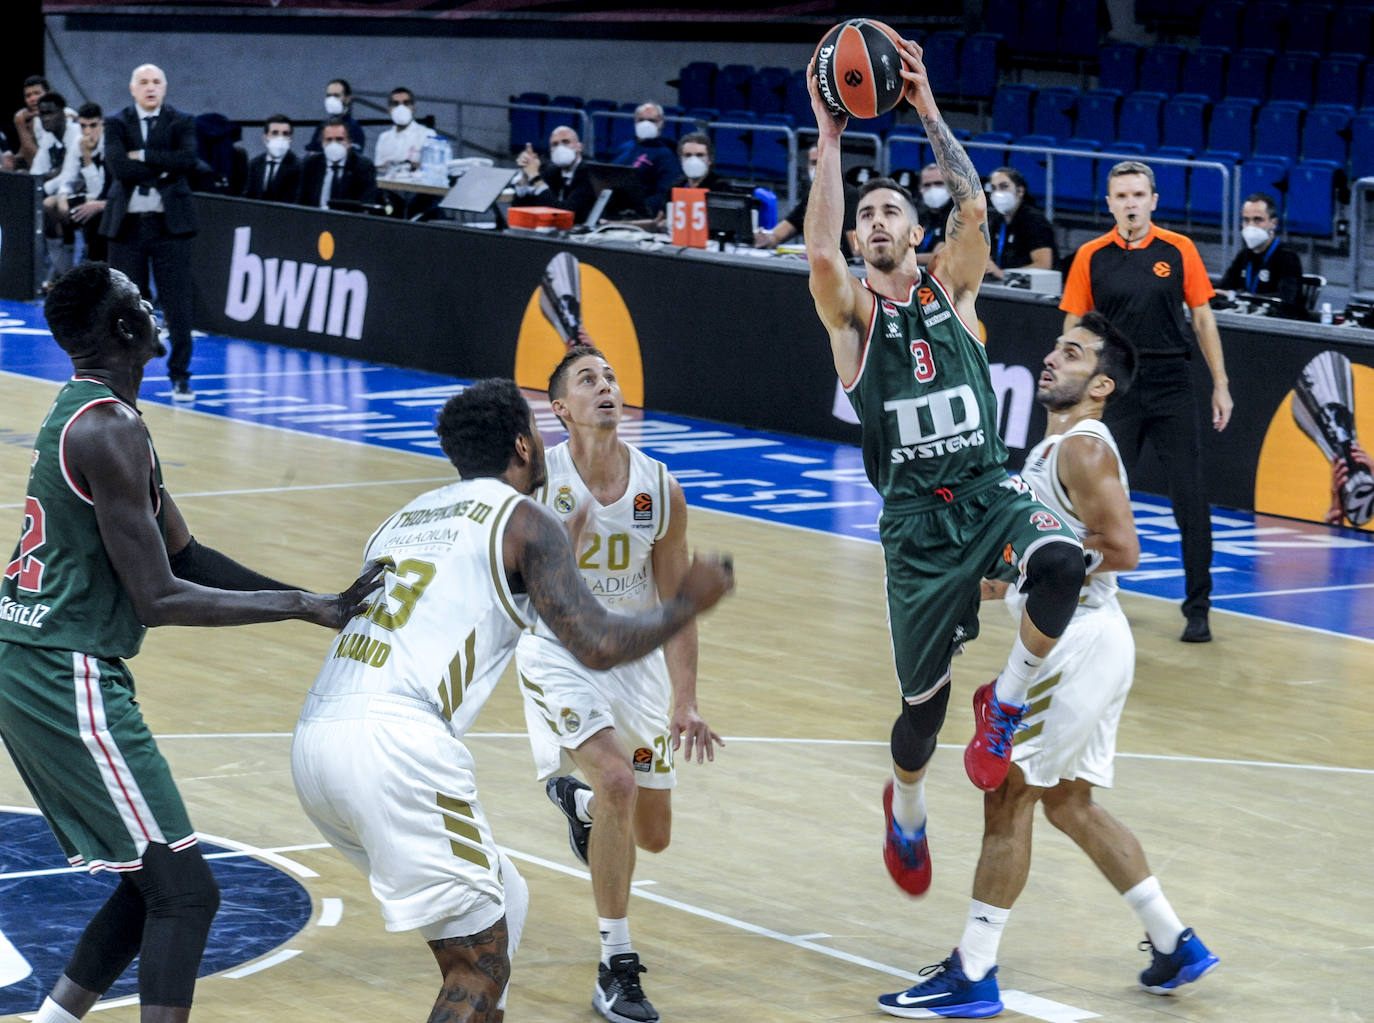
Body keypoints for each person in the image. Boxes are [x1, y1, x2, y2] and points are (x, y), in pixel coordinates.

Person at [0, 261, 383, 1023]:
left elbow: (183, 553)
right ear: (124, 331)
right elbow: (160, 596)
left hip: (41, 659)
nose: (152, 305)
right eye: (139, 300)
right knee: (186, 892)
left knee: (154, 881)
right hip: (59, 670)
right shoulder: (110, 428)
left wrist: (319, 604)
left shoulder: (99, 413)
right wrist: (303, 603)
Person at [291, 377, 733, 1023]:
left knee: (506, 901)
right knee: (479, 964)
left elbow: (468, 606)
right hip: (396, 744)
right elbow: (599, 642)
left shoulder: (403, 518)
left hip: (315, 743)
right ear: (525, 444)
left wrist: (558, 566)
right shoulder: (525, 519)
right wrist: (687, 601)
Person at [804, 37, 1086, 917]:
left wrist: (924, 106)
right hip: (916, 531)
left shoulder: (953, 290)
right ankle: (910, 804)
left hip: (988, 493)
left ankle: (1001, 702)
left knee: (1065, 564)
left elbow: (974, 206)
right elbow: (816, 254)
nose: (880, 221)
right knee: (918, 719)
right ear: (858, 238)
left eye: (893, 210)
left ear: (914, 232)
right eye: (868, 216)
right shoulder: (851, 317)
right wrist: (827, 136)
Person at [877, 312, 1219, 1017]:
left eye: (1070, 353)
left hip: (1081, 642)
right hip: (1093, 641)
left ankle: (974, 969)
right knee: (1068, 801)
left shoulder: (1083, 449)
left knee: (1006, 794)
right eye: (1055, 347)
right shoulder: (1048, 449)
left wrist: (1039, 572)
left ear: (1099, 384)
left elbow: (1123, 550)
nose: (1049, 357)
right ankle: (1173, 939)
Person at [513, 346, 722, 1023]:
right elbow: (506, 592)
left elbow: (677, 603)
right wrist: (553, 562)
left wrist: (685, 699)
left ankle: (581, 806)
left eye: (609, 377)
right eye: (586, 379)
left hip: (635, 661)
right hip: (559, 651)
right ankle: (615, 963)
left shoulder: (659, 487)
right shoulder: (535, 483)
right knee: (619, 784)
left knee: (652, 833)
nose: (604, 386)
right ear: (561, 408)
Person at [1060, 160, 1232, 643]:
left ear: (1153, 200)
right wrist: (1075, 387)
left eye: (1138, 195)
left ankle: (1198, 607)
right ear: (1109, 202)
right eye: (1121, 196)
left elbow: (1203, 320)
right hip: (1117, 387)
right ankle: (1086, 590)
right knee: (1096, 496)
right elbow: (1072, 328)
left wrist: (1220, 383)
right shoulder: (1091, 255)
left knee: (1190, 499)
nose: (1130, 203)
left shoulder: (1179, 250)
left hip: (1172, 382)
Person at [99, 64, 200, 403]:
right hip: (128, 226)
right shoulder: (116, 122)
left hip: (170, 227)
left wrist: (141, 156)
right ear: (132, 88)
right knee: (125, 304)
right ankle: (124, 375)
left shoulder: (181, 120)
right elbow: (117, 166)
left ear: (165, 87)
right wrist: (163, 168)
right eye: (143, 82)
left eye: (156, 81)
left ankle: (181, 376)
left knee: (178, 304)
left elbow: (188, 160)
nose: (150, 87)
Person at [752, 144, 858, 257]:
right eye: (813, 163)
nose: (818, 167)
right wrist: (766, 238)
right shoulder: (811, 198)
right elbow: (779, 234)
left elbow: (857, 249)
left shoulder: (851, 196)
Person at [1218, 192, 1304, 318]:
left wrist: (1236, 297)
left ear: (1273, 223)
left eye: (1258, 220)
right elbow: (1223, 288)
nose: (1250, 226)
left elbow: (1285, 301)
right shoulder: (1244, 255)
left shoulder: (1287, 257)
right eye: (1246, 220)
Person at [31, 92, 82, 282]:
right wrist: (42, 181)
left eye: (50, 113)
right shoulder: (48, 138)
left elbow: (71, 175)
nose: (45, 118)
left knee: (48, 204)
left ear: (62, 113)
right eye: (42, 114)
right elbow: (36, 173)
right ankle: (62, 272)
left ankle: (67, 272)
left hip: (87, 190)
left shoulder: (76, 133)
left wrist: (47, 183)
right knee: (38, 205)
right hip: (65, 192)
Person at [54, 103, 110, 265]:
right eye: (83, 126)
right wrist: (63, 195)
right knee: (53, 206)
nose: (87, 132)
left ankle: (93, 261)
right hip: (91, 197)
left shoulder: (109, 143)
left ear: (101, 123)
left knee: (91, 212)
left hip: (112, 200)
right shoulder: (79, 141)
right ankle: (64, 267)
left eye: (93, 126)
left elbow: (99, 190)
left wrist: (86, 156)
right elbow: (67, 175)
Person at [512, 125, 597, 224]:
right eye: (555, 144)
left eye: (566, 142)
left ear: (579, 147)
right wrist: (525, 177)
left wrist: (535, 177)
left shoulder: (590, 173)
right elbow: (525, 209)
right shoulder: (551, 171)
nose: (560, 148)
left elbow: (564, 214)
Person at [983, 166, 1057, 279]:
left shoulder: (1034, 221)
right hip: (1003, 285)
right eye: (993, 188)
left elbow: (1043, 265)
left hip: (1035, 290)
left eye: (1004, 187)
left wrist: (1003, 275)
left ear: (1020, 191)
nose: (997, 193)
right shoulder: (997, 221)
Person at [611, 102, 678, 217]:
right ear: (635, 122)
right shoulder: (624, 148)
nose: (645, 124)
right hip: (615, 207)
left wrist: (640, 211)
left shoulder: (666, 155)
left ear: (661, 123)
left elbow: (664, 193)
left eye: (651, 121)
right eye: (641, 120)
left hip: (641, 213)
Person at [298, 116, 379, 210]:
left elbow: (365, 205)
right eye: (329, 140)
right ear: (322, 143)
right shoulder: (311, 164)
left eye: (339, 139)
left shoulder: (363, 167)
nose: (334, 144)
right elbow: (300, 203)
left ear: (349, 142)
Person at [242, 113, 302, 203]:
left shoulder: (299, 167)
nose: (280, 138)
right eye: (275, 133)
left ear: (291, 138)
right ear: (265, 138)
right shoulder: (254, 164)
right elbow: (247, 196)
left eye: (285, 134)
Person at [373, 87, 429, 178]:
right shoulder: (383, 138)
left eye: (406, 103)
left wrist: (404, 165)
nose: (401, 107)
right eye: (395, 104)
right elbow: (378, 169)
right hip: (387, 188)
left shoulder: (427, 135)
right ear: (389, 110)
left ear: (414, 108)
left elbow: (433, 169)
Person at [305, 77, 365, 154]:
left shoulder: (354, 128)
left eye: (336, 96)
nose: (331, 99)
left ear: (347, 99)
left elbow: (355, 156)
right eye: (328, 96)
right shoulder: (322, 126)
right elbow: (312, 152)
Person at [913, 162, 952, 266]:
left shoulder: (960, 217)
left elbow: (943, 256)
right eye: (927, 185)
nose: (932, 188)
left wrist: (905, 259)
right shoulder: (917, 216)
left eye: (938, 183)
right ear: (920, 188)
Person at [12, 74, 48, 169]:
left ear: (48, 93)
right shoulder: (32, 120)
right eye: (28, 96)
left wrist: (20, 125)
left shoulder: (64, 114)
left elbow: (38, 165)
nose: (33, 99)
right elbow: (21, 156)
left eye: (37, 93)